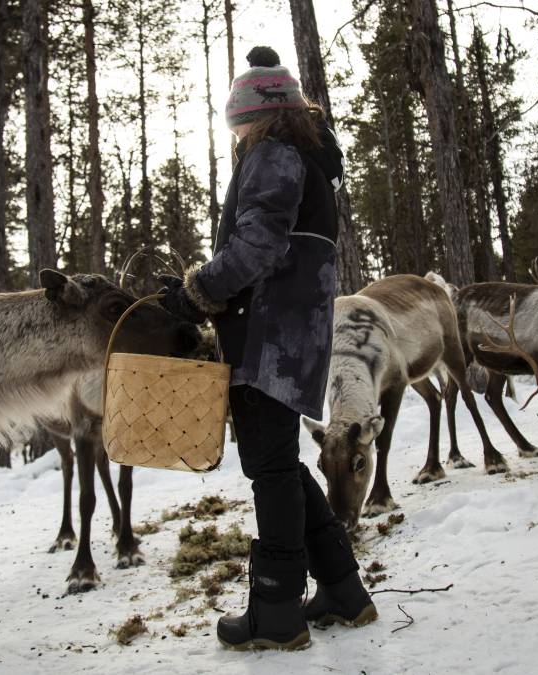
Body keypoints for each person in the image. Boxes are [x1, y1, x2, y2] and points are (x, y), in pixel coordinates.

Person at [160, 45, 377, 651]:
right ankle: (342, 589)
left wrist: (197, 290)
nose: (239, 136)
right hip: (292, 332)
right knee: (276, 462)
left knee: (271, 469)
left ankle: (278, 613)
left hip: (268, 336)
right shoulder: (303, 156)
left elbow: (258, 247)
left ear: (254, 117)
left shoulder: (275, 154)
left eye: (240, 125)